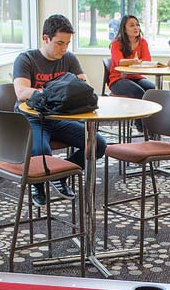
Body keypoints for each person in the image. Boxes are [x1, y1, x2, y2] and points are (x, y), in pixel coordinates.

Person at [13, 14, 107, 207]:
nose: (64, 49)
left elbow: (84, 87)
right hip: (33, 118)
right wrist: (60, 92)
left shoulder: (69, 58)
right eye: (59, 43)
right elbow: (22, 92)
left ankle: (61, 176)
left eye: (67, 44)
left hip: (59, 118)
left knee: (97, 144)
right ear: (45, 38)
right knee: (43, 152)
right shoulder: (26, 59)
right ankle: (37, 185)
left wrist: (47, 93)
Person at [109, 15, 156, 131]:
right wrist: (135, 61)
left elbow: (147, 60)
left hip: (136, 77)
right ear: (124, 29)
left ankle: (152, 125)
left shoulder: (142, 42)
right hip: (118, 80)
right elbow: (119, 62)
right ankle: (142, 126)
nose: (136, 28)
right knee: (138, 92)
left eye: (137, 25)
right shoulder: (116, 43)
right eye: (131, 25)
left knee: (152, 90)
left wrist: (133, 62)